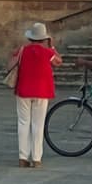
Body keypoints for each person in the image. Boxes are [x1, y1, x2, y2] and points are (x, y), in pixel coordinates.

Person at [11, 22, 57, 168]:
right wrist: (52, 46)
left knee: (23, 123)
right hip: (42, 91)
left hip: (24, 89)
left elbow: (9, 64)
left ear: (30, 37)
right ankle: (36, 158)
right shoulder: (47, 53)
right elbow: (58, 61)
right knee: (38, 124)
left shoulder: (22, 50)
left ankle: (22, 157)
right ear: (44, 38)